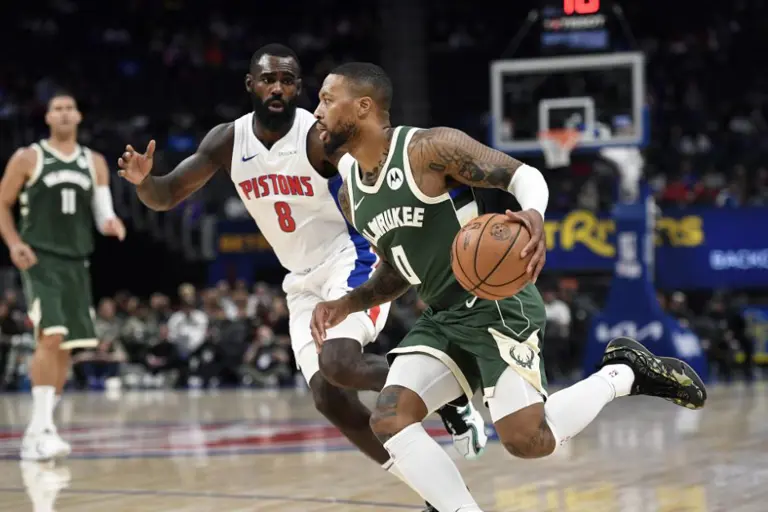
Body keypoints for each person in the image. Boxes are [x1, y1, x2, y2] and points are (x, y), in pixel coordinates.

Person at [310, 62, 708, 512]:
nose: (317, 111)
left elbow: (521, 175)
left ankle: (622, 373)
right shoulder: (350, 194)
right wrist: (348, 303)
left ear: (363, 107)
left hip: (496, 304)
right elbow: (397, 269)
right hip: (442, 318)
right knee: (389, 417)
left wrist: (533, 212)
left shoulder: (427, 149)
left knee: (528, 441)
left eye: (327, 99)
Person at [116, 44, 485, 511]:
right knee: (329, 399)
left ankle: (448, 394)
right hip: (300, 278)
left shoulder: (320, 139)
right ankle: (432, 489)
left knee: (339, 361)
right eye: (269, 79)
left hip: (350, 258)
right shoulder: (228, 141)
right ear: (251, 84)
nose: (278, 88)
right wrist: (145, 182)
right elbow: (167, 195)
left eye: (288, 80)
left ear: (298, 89)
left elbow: (377, 173)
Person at [0, 91, 126, 460]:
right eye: (58, 109)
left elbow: (103, 213)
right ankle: (38, 430)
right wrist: (13, 243)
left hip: (77, 261)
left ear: (79, 116)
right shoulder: (29, 157)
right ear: (48, 118)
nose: (65, 113)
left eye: (70, 108)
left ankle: (43, 429)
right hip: (41, 258)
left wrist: (112, 223)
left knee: (67, 346)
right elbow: (3, 202)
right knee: (51, 335)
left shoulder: (94, 162)